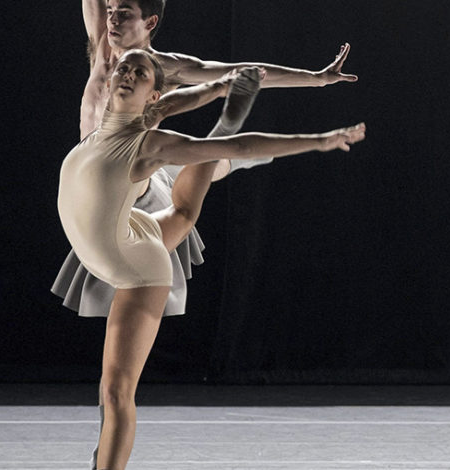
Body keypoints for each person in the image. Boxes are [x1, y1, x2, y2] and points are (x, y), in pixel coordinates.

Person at [59, 49, 365, 470]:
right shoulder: (106, 126)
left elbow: (236, 146)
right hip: (132, 231)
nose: (128, 74)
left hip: (136, 269)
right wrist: (222, 88)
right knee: (181, 215)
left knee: (115, 392)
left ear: (152, 95)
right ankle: (227, 113)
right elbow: (185, 96)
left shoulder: (148, 144)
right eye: (124, 68)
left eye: (141, 73)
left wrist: (317, 141)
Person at [54, 0, 360, 319]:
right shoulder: (102, 46)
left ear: (150, 22)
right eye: (111, 11)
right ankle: (241, 153)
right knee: (185, 166)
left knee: (198, 164)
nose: (113, 20)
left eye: (124, 14)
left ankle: (241, 149)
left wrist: (316, 78)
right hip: (102, 168)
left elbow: (243, 73)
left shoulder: (161, 68)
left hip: (132, 178)